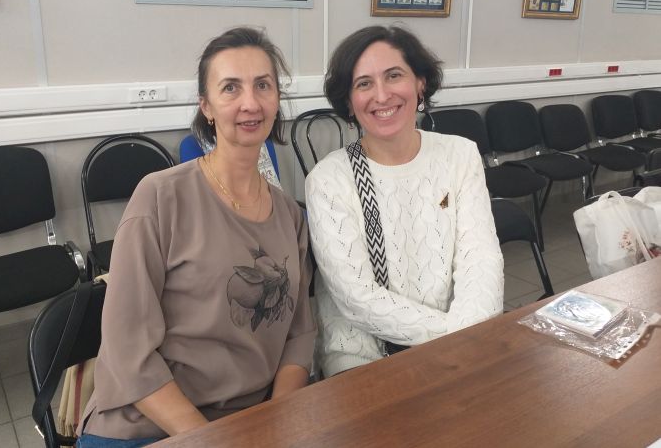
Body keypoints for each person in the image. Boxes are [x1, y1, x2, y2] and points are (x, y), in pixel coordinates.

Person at [77, 27, 316, 447]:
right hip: (151, 421)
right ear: (206, 106)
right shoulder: (160, 197)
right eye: (230, 88)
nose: (250, 102)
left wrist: (277, 422)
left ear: (277, 99)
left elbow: (299, 335)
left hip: (252, 417)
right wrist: (210, 439)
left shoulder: (290, 215)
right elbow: (126, 350)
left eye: (263, 85)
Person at [305, 25, 504, 378]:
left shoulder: (460, 155)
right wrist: (456, 336)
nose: (381, 95)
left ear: (420, 83)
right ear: (349, 101)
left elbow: (481, 261)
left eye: (394, 75)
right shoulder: (329, 179)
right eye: (363, 84)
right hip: (366, 356)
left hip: (463, 337)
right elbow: (357, 297)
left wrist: (466, 336)